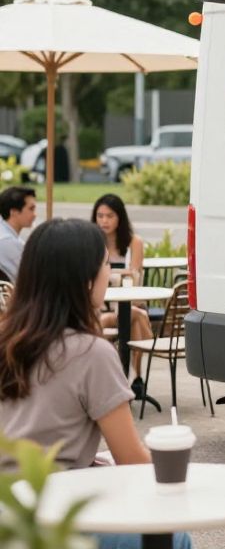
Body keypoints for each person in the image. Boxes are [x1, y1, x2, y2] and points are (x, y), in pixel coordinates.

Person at [0, 218, 190, 549]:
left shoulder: (8, 340)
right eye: (105, 264)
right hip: (50, 521)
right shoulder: (91, 353)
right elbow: (131, 458)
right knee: (176, 537)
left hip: (8, 510)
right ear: (86, 280)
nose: (110, 273)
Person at [92, 194, 152, 393]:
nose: (104, 221)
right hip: (102, 306)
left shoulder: (134, 242)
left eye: (109, 216)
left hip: (131, 302)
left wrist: (110, 273)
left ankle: (123, 379)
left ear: (120, 218)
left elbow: (134, 276)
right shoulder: (92, 242)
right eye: (100, 216)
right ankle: (137, 377)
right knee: (136, 318)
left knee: (133, 314)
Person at [0, 186, 36, 281]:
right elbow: (30, 280)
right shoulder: (7, 241)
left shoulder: (8, 236)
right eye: (31, 209)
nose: (34, 214)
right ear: (14, 212)